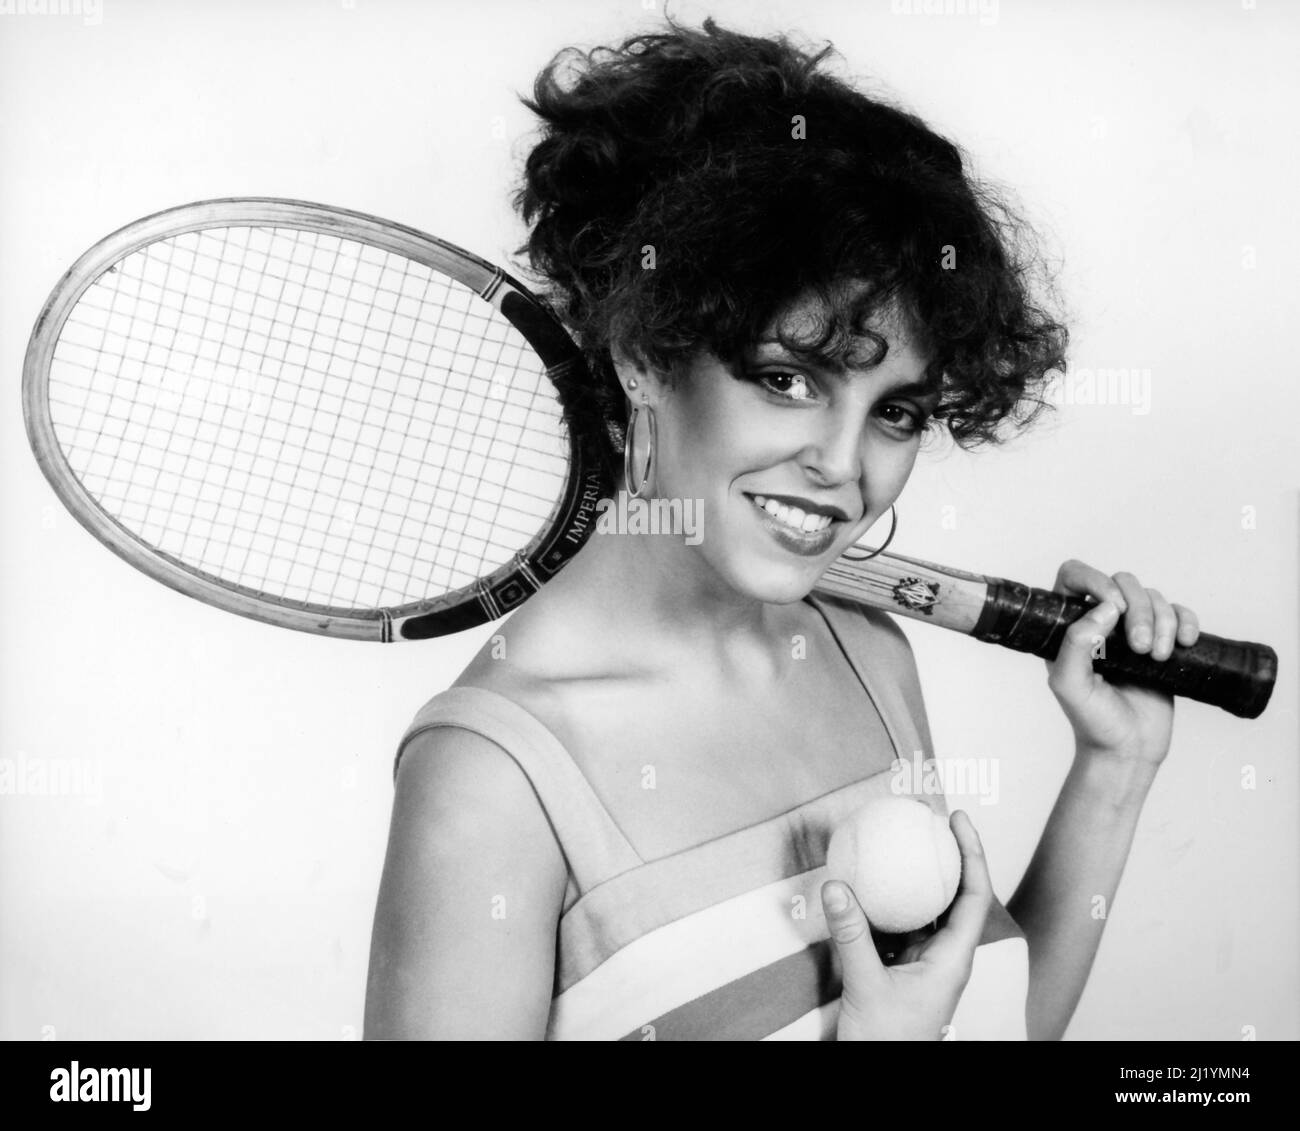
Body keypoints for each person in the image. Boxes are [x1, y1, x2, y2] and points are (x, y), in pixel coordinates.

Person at [363, 18, 1200, 1041]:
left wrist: (1113, 770)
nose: (844, 468)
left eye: (896, 410)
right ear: (643, 351)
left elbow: (974, 1023)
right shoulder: (494, 782)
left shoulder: (866, 659)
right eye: (787, 379)